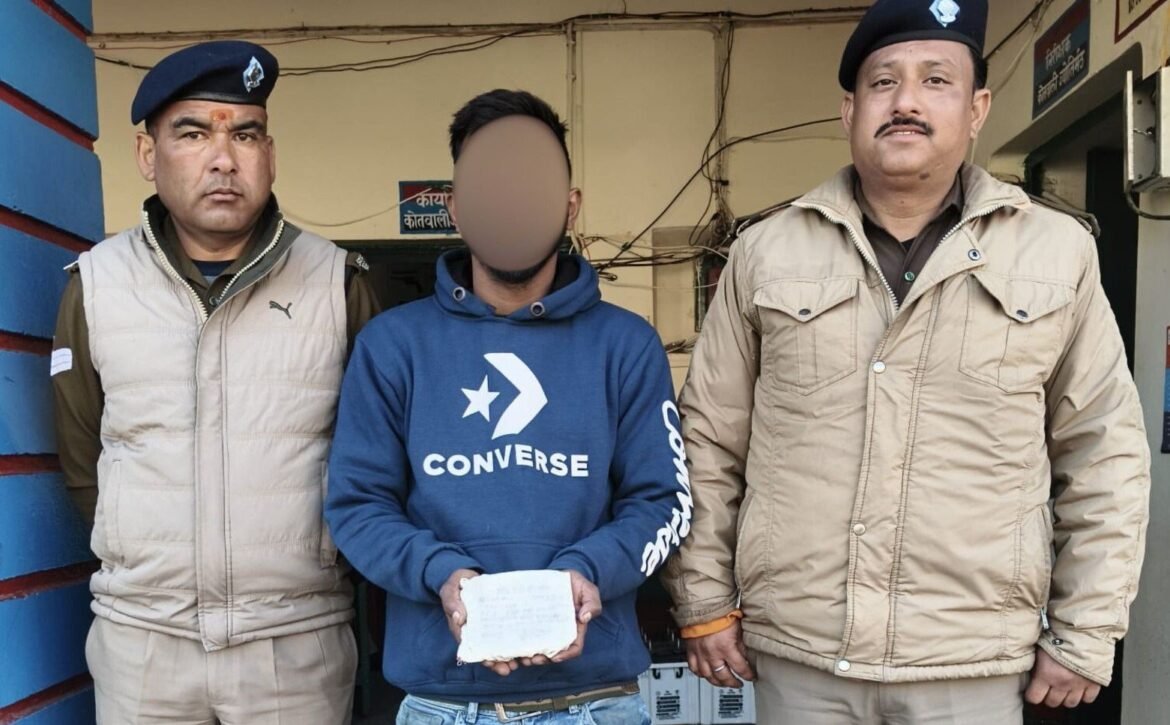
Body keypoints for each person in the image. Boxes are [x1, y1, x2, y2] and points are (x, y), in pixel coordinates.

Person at [662, 1, 1151, 722]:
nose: (907, 102)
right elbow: (708, 440)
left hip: (973, 661)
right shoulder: (767, 251)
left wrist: (1086, 629)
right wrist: (702, 600)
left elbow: (1103, 449)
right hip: (803, 658)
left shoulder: (1056, 253)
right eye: (884, 82)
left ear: (978, 109)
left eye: (936, 80)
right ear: (848, 110)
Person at [325, 89, 692, 725]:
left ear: (570, 205)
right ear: (455, 207)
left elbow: (663, 501)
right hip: (442, 704)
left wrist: (587, 572)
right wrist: (442, 574)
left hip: (596, 702)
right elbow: (356, 506)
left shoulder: (626, 345)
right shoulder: (393, 345)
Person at [51, 40, 379, 724]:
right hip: (143, 646)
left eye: (245, 134)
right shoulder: (98, 284)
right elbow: (84, 458)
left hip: (295, 643)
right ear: (148, 155)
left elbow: (373, 458)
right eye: (194, 133)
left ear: (270, 154)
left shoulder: (336, 282)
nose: (224, 159)